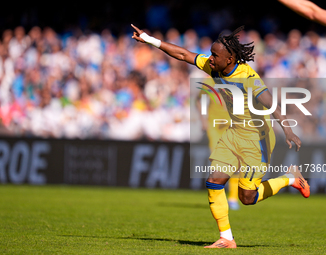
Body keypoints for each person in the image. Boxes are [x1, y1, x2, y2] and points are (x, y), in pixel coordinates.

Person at [131, 24, 310, 249]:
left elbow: (269, 101)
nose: (210, 58)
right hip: (234, 133)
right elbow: (183, 54)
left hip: (257, 140)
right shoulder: (214, 67)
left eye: (215, 55)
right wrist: (149, 39)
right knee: (214, 181)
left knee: (248, 198)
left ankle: (290, 178)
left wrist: (287, 128)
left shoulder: (247, 76)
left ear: (231, 58)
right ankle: (227, 238)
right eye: (211, 53)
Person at [196, 81, 240, 210]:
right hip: (214, 127)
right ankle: (218, 196)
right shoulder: (208, 82)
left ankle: (233, 198)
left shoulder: (236, 80)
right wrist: (203, 120)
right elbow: (199, 101)